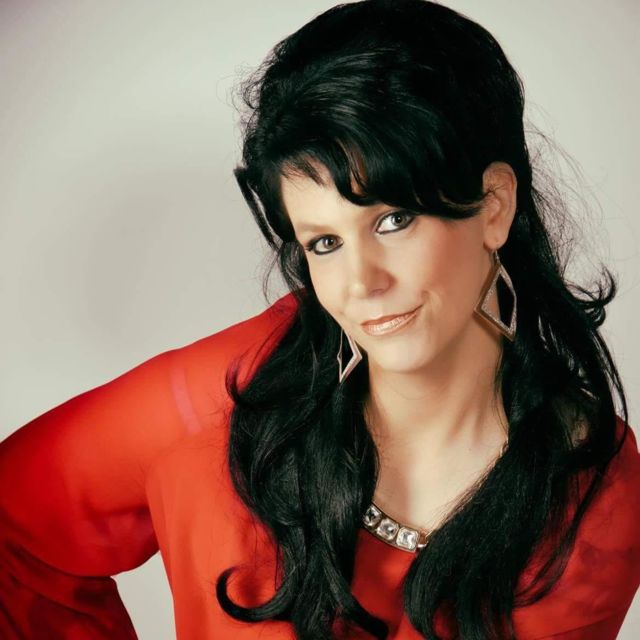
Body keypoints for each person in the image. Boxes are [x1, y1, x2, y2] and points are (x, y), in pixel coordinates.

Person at [1, 0, 638, 638]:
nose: (362, 282)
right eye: (325, 243)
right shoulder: (217, 402)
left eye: (393, 220)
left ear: (493, 205)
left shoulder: (596, 495)